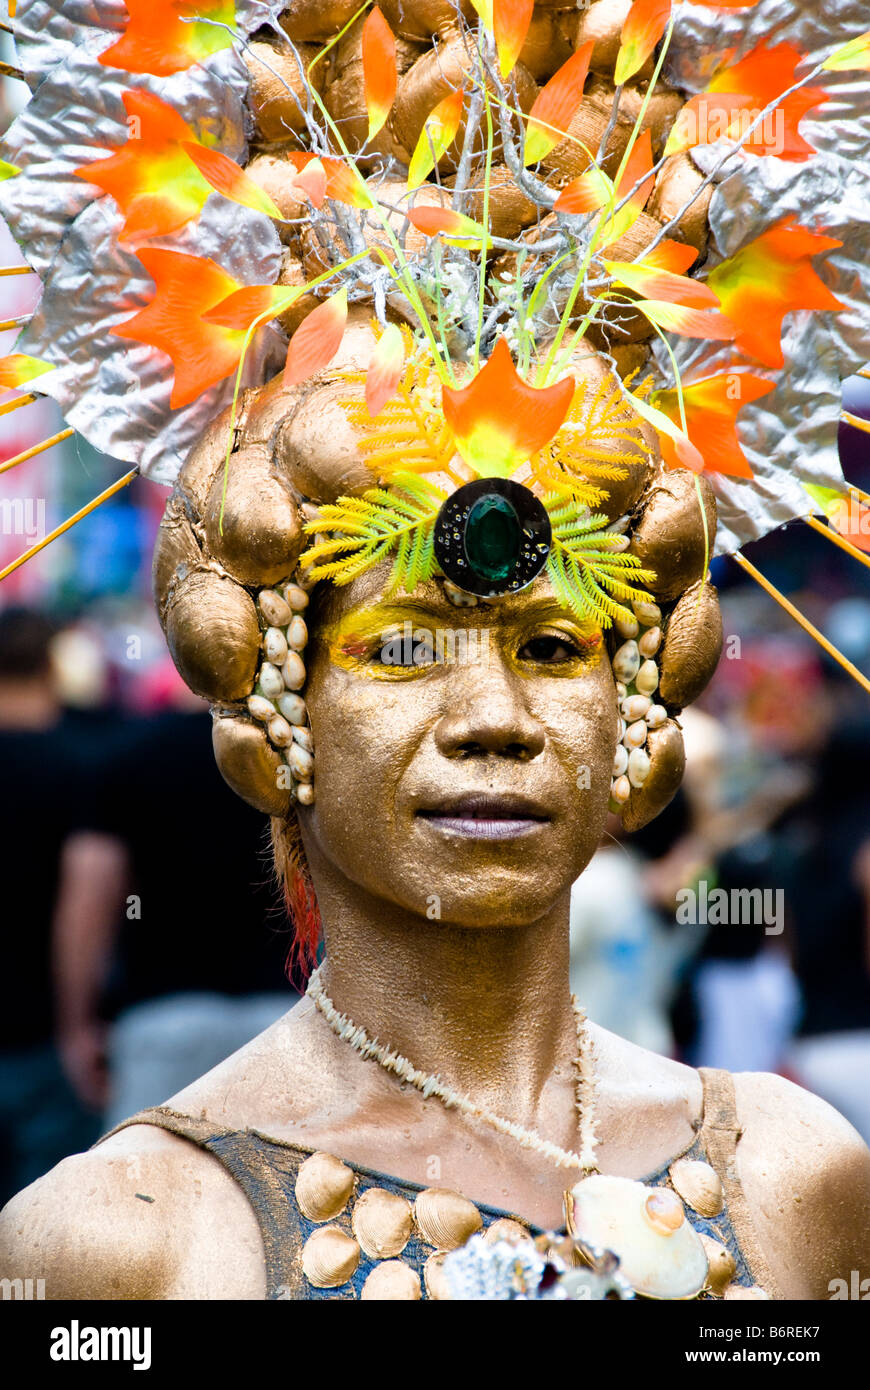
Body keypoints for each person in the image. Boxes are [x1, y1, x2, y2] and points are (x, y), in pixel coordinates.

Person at [2, 0, 869, 1304]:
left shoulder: (794, 1173)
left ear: (637, 703)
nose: (494, 717)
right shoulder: (120, 1239)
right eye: (404, 644)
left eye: (554, 642)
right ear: (271, 686)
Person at [0, 608, 101, 1207]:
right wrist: (77, 1023)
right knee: (37, 1227)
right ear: (52, 667)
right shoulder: (80, 766)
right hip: (43, 1039)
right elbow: (83, 908)